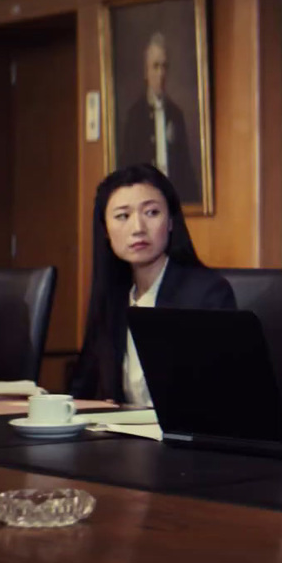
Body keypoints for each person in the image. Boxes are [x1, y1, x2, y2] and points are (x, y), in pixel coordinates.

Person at [70, 164, 233, 405]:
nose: (138, 229)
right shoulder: (112, 297)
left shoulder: (207, 294)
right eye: (123, 216)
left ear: (170, 222)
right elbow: (83, 389)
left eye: (151, 213)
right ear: (105, 229)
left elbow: (219, 392)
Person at [117, 32, 200, 205]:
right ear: (145, 72)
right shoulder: (135, 116)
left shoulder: (176, 115)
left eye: (164, 67)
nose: (160, 73)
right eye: (155, 67)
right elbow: (127, 171)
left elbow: (185, 171)